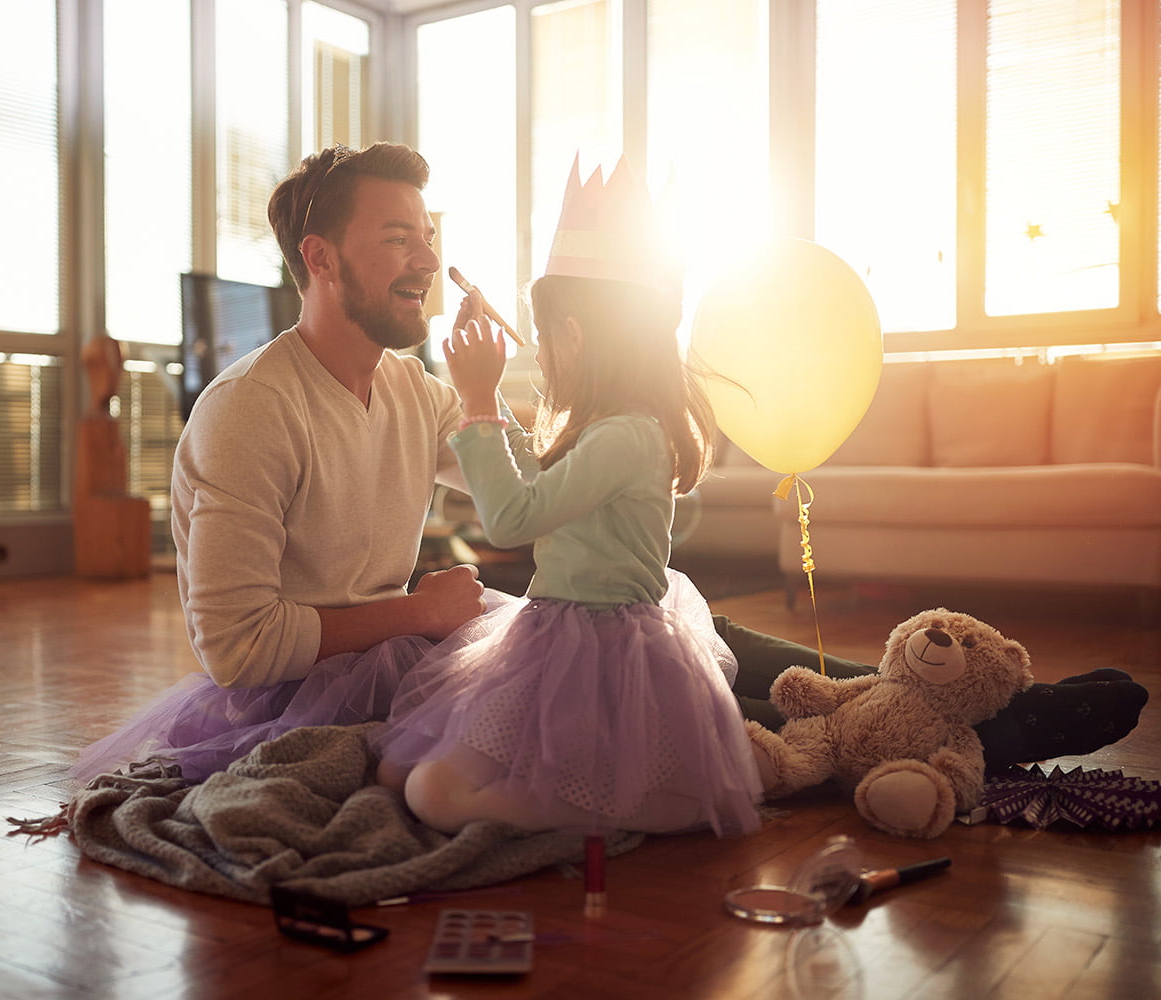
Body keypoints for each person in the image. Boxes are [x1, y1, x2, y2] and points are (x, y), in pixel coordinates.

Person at [71, 141, 1146, 787]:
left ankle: (936, 700)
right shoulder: (245, 411)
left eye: (428, 232)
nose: (428, 257)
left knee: (658, 616)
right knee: (625, 668)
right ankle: (926, 728)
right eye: (396, 237)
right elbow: (237, 647)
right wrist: (417, 612)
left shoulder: (409, 389)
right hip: (309, 691)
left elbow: (535, 460)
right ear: (319, 259)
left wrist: (573, 349)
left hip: (416, 626)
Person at [372, 155, 763, 836]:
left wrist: (478, 398)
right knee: (399, 773)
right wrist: (486, 403)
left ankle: (610, 810)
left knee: (433, 791)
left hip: (599, 650)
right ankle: (585, 793)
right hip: (553, 633)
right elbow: (539, 483)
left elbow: (513, 516)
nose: (541, 356)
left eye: (545, 341)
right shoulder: (612, 427)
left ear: (575, 338)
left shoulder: (629, 435)